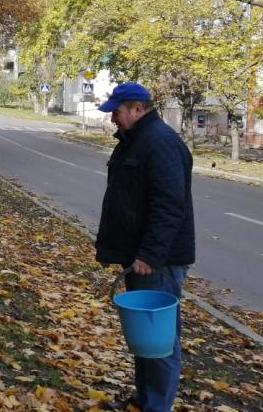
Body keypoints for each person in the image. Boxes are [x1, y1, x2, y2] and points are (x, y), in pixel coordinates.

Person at [96, 82, 194, 412]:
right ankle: (145, 399)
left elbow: (169, 206)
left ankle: (156, 406)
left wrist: (150, 255)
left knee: (160, 341)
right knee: (143, 336)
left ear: (138, 109)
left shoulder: (160, 143)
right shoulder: (136, 140)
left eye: (117, 112)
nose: (113, 119)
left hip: (157, 262)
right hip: (139, 258)